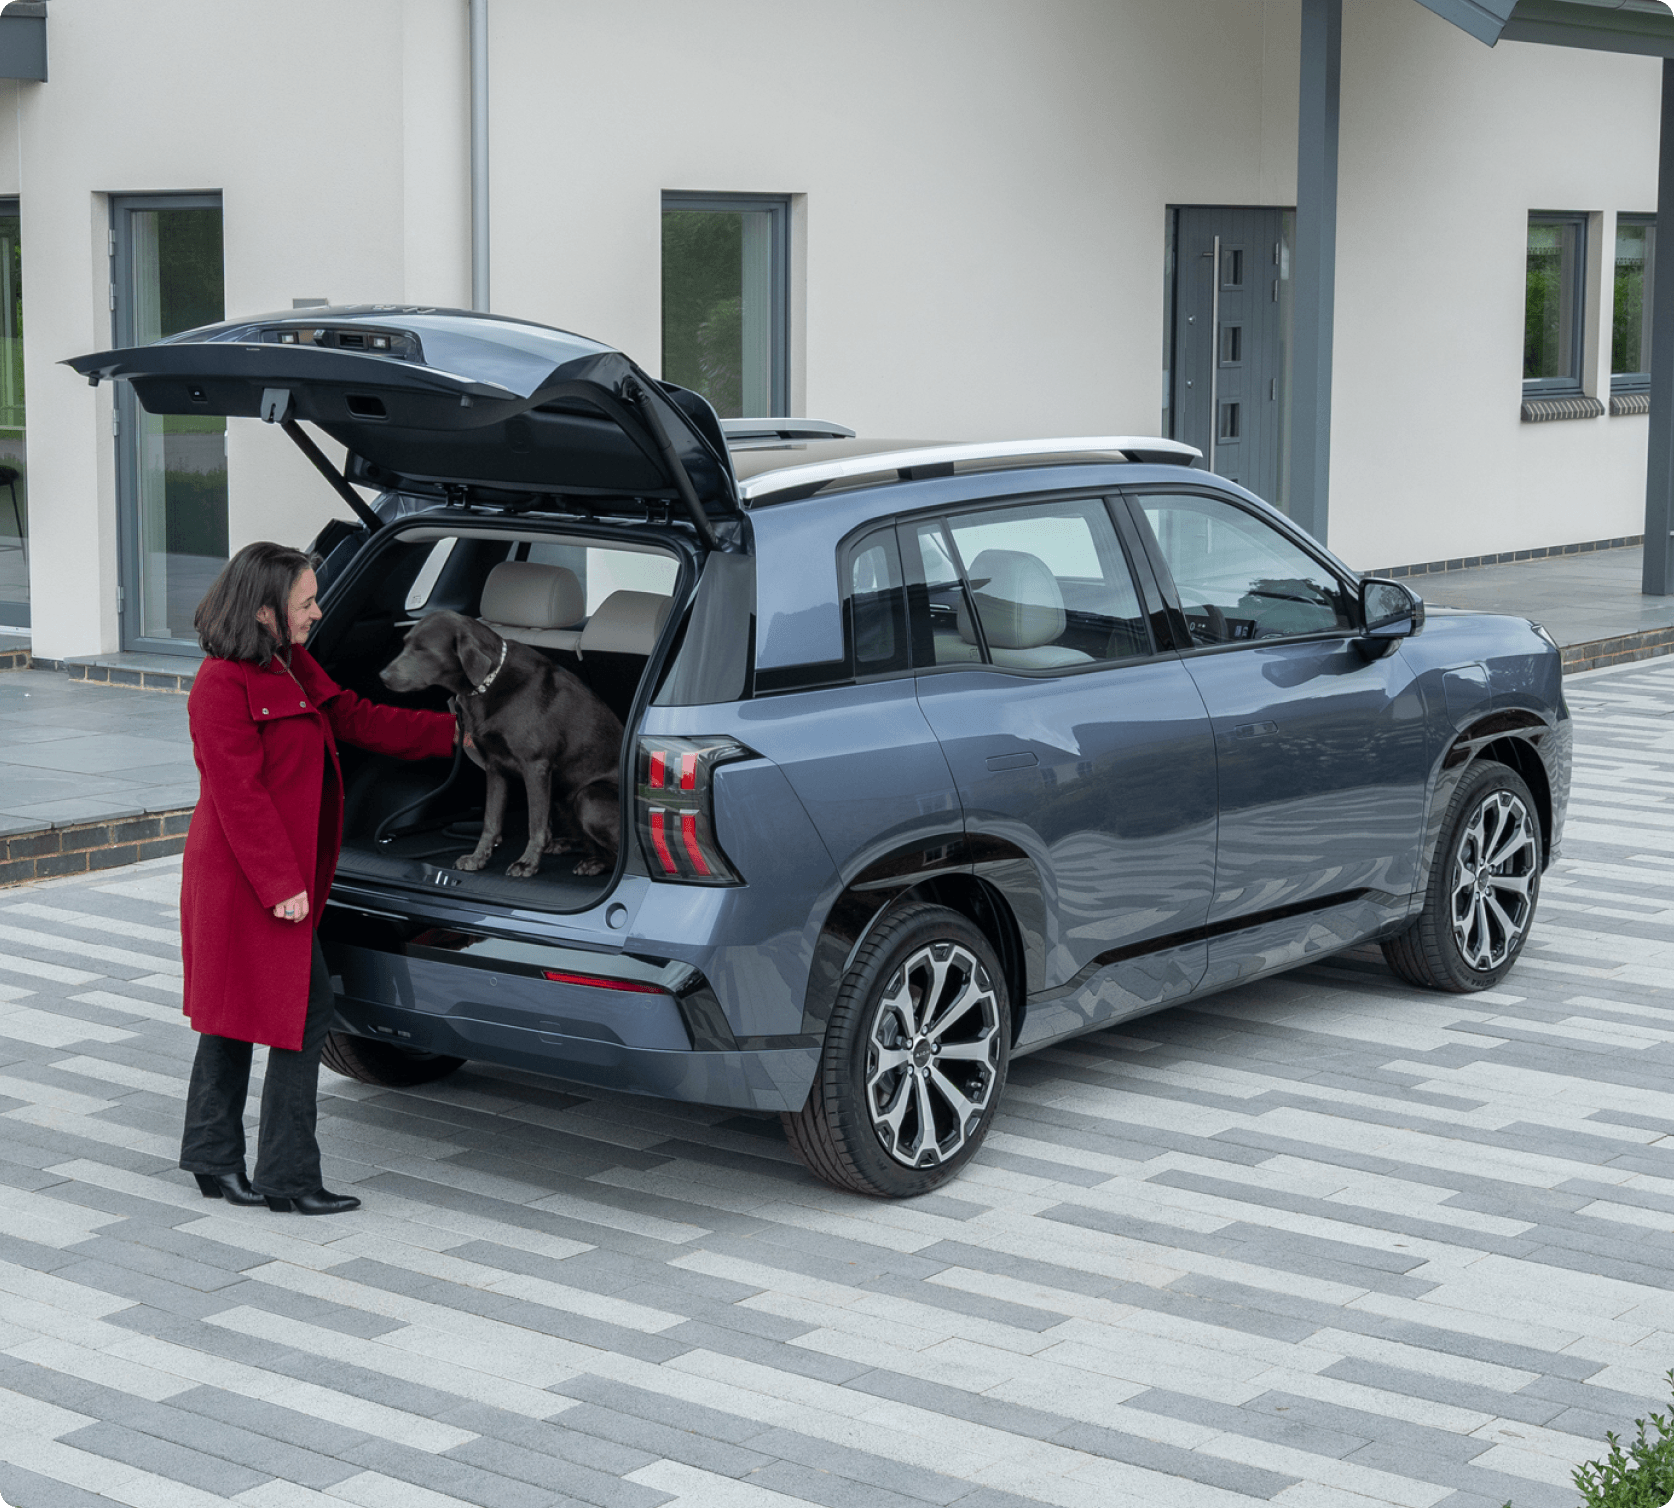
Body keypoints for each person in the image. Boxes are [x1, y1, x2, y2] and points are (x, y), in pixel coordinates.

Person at [178, 541, 458, 1215]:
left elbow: (354, 717)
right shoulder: (220, 685)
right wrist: (282, 887)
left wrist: (456, 736)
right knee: (300, 1015)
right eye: (305, 602)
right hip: (246, 879)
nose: (316, 612)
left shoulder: (288, 662)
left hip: (273, 872)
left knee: (236, 1016)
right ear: (264, 610)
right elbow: (238, 796)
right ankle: (288, 1179)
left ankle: (213, 1159)